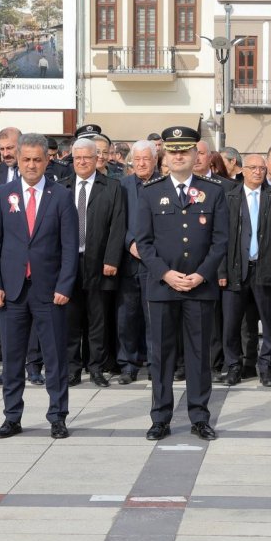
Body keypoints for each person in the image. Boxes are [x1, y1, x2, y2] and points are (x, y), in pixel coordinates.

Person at [135, 126, 228, 442]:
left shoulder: (214, 191)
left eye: (185, 151)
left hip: (199, 287)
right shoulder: (149, 192)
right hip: (163, 287)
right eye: (173, 151)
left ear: (194, 155)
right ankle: (160, 417)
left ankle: (199, 417)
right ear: (165, 155)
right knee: (161, 356)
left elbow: (221, 241)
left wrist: (201, 274)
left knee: (198, 355)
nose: (178, 156)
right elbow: (143, 243)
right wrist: (165, 273)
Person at [0, 133, 79, 439]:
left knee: (54, 357)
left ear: (47, 160)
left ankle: (57, 416)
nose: (32, 165)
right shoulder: (3, 194)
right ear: (18, 160)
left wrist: (65, 285)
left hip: (49, 291)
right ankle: (12, 416)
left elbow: (69, 246)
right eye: (26, 159)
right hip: (12, 292)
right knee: (12, 358)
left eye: (38, 159)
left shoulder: (61, 195)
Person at [218, 153, 271, 387]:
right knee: (231, 324)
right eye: (253, 168)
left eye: (261, 168)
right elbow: (219, 239)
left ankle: (267, 367)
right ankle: (234, 366)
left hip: (265, 269)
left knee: (270, 323)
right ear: (242, 171)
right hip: (235, 270)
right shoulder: (229, 197)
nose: (258, 172)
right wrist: (221, 272)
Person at [62, 137, 126, 388]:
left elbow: (117, 226)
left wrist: (112, 259)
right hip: (69, 263)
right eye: (77, 158)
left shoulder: (111, 187)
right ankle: (72, 368)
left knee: (97, 319)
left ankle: (97, 367)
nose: (82, 162)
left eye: (87, 158)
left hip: (99, 263)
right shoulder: (62, 187)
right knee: (71, 318)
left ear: (96, 159)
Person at [117, 140, 159, 384]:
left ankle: (155, 364)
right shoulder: (121, 186)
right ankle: (128, 364)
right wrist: (130, 242)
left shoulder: (164, 185)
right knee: (127, 316)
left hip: (154, 261)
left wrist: (148, 249)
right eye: (138, 159)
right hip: (128, 260)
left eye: (147, 159)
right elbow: (116, 221)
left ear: (155, 161)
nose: (142, 163)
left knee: (154, 316)